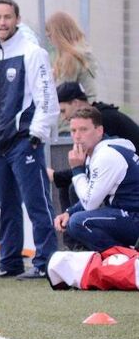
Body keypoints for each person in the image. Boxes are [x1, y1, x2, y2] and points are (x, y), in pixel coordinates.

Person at [0, 0, 60, 280]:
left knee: (37, 203)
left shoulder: (33, 53)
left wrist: (36, 134)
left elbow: (47, 98)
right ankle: (10, 261)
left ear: (17, 18)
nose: (2, 22)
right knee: (6, 204)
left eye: (7, 17)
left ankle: (45, 261)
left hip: (24, 141)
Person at [48, 82, 139, 219]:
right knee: (71, 185)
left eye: (63, 110)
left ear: (76, 103)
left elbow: (98, 165)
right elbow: (91, 165)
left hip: (129, 183)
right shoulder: (99, 116)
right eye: (74, 131)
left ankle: (79, 233)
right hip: (119, 175)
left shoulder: (102, 119)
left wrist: (58, 176)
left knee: (74, 189)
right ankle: (71, 233)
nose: (64, 118)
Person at [53, 107, 139, 251]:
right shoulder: (99, 151)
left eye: (83, 130)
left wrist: (77, 169)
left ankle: (125, 259)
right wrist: (68, 212)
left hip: (134, 216)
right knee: (75, 197)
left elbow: (90, 204)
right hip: (127, 213)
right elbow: (92, 194)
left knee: (79, 222)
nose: (77, 136)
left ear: (99, 131)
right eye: (73, 131)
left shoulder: (106, 155)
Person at [46, 11, 97, 102]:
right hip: (90, 106)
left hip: (80, 109)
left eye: (50, 35)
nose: (50, 40)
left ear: (59, 34)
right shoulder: (82, 49)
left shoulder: (70, 57)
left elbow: (63, 92)